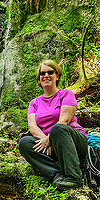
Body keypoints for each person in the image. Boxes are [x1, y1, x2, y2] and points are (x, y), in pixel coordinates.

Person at [17, 59, 88, 188]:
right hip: (48, 143)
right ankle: (56, 175)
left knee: (58, 128)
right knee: (24, 143)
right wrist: (45, 140)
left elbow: (64, 121)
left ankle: (74, 178)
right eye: (42, 73)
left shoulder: (67, 94)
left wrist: (50, 139)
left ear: (57, 75)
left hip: (73, 141)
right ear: (39, 79)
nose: (46, 76)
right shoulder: (34, 102)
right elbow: (32, 126)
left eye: (50, 72)